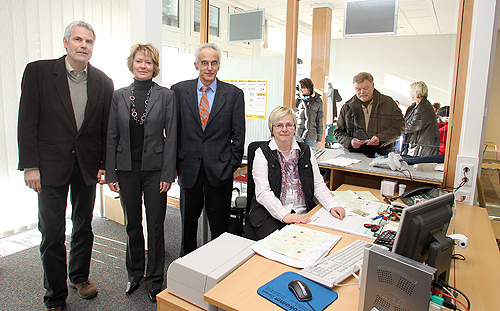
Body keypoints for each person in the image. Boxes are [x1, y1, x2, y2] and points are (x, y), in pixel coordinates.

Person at [17, 21, 114, 311]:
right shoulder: (39, 72)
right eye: (78, 40)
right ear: (65, 42)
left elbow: (104, 129)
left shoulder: (103, 81)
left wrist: (103, 165)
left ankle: (79, 277)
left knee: (84, 226)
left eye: (89, 41)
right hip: (49, 168)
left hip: (85, 167)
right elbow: (27, 120)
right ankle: (55, 295)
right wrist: (30, 165)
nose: (83, 45)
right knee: (52, 233)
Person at [106, 43, 177, 302]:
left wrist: (168, 173)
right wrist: (112, 174)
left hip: (155, 171)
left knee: (155, 226)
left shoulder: (166, 96)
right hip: (126, 170)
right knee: (133, 225)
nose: (143, 66)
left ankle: (155, 279)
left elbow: (172, 137)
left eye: (148, 62)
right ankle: (135, 273)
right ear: (132, 64)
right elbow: (112, 136)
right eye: (139, 61)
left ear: (154, 66)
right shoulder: (119, 95)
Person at [171, 43, 245, 256]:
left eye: (214, 63)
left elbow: (238, 135)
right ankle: (188, 266)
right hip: (188, 169)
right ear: (196, 65)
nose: (209, 67)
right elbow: (174, 131)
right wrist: (175, 164)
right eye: (204, 63)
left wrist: (231, 164)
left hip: (220, 171)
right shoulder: (178, 91)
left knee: (219, 228)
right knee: (187, 228)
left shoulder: (233, 94)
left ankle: (217, 268)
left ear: (219, 66)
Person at [246, 106, 345, 240]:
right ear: (272, 129)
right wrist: (284, 215)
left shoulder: (306, 151)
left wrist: (332, 205)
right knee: (281, 245)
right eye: (279, 125)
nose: (284, 129)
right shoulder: (262, 153)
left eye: (289, 125)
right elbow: (263, 192)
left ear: (294, 128)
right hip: (270, 212)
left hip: (302, 210)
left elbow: (318, 184)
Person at [334, 72, 404, 155]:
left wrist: (380, 138)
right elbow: (338, 132)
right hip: (355, 155)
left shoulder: (389, 103)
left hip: (382, 154)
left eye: (366, 88)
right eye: (358, 89)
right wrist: (350, 142)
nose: (362, 92)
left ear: (373, 86)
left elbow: (399, 126)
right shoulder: (347, 107)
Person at [402, 81, 440, 157]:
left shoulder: (424, 107)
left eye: (411, 91)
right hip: (416, 144)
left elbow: (412, 127)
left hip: (423, 147)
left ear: (416, 92)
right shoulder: (414, 106)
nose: (410, 93)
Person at [295, 78, 324, 148]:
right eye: (300, 88)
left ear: (309, 88)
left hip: (312, 134)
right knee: (298, 155)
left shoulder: (318, 101)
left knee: (312, 155)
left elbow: (319, 120)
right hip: (298, 132)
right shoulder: (298, 99)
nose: (301, 90)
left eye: (303, 88)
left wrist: (319, 137)